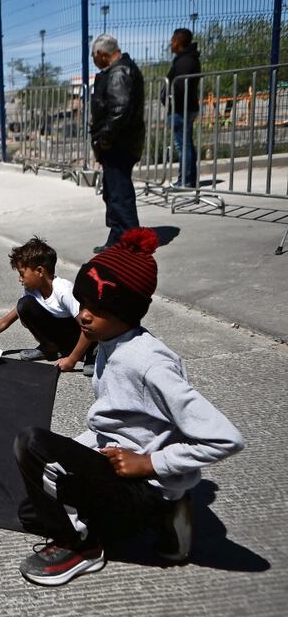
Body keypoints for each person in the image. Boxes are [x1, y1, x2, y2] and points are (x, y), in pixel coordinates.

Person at [13, 228, 244, 586]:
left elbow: (225, 438)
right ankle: (164, 517)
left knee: (32, 445)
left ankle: (85, 547)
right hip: (119, 469)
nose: (83, 316)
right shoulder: (111, 342)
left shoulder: (149, 363)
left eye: (97, 309)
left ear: (126, 311)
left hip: (142, 482)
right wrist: (77, 452)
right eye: (82, 305)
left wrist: (150, 463)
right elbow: (112, 423)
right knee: (31, 511)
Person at [0, 236, 94, 375]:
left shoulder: (63, 291)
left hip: (87, 336)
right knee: (24, 305)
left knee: (90, 342)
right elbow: (5, 321)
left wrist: (72, 360)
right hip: (64, 338)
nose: (20, 279)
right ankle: (51, 348)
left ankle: (91, 353)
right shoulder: (32, 291)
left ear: (39, 271)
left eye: (22, 274)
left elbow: (89, 327)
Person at [90, 33, 145, 253]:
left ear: (101, 54)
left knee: (120, 195)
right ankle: (117, 239)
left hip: (118, 144)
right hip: (119, 142)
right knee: (113, 193)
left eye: (94, 56)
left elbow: (119, 110)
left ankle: (132, 244)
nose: (94, 60)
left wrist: (104, 137)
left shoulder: (119, 72)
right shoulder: (119, 70)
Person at [163, 28, 201, 188]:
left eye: (172, 40)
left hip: (181, 109)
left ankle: (185, 180)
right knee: (186, 144)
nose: (170, 44)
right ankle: (189, 179)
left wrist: (170, 98)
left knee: (182, 145)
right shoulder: (189, 59)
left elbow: (180, 86)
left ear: (177, 42)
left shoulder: (184, 61)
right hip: (185, 107)